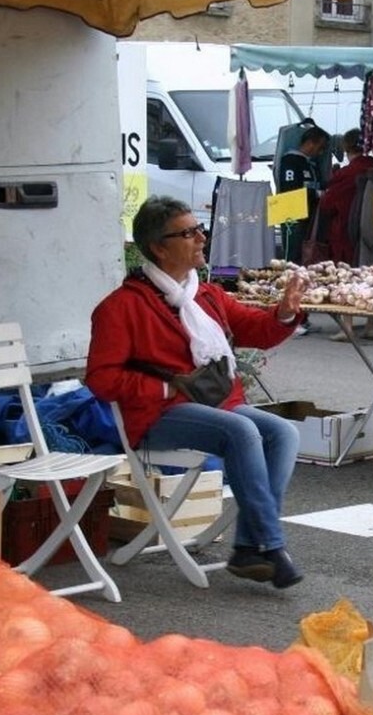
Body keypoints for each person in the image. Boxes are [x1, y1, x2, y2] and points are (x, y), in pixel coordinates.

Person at [86, 196, 309, 589]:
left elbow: (256, 329)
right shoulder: (120, 307)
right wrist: (165, 384)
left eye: (199, 229)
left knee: (284, 433)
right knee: (240, 432)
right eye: (188, 233)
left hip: (215, 404)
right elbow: (102, 380)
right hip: (157, 416)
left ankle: (245, 548)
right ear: (158, 247)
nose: (201, 238)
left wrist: (285, 312)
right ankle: (270, 547)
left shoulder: (205, 295)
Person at [316, 127, 373, 341]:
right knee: (372, 275)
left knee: (348, 276)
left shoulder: (346, 174)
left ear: (346, 147)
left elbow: (327, 204)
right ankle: (371, 325)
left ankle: (348, 326)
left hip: (346, 231)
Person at [276, 124, 330, 267]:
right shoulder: (290, 161)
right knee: (293, 257)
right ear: (311, 142)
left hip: (309, 216)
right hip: (293, 216)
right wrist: (318, 194)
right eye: (321, 146)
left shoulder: (312, 164)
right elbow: (290, 189)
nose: (321, 152)